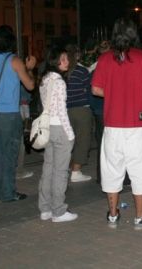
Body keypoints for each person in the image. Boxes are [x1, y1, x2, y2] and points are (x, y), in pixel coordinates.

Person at [91, 18, 142, 230]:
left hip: (112, 125)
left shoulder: (104, 59)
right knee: (139, 169)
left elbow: (95, 89)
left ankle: (113, 214)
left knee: (112, 169)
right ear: (133, 34)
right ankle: (141, 217)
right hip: (137, 125)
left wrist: (114, 94)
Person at [0, 25, 36, 202]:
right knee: (10, 154)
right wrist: (29, 68)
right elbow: (30, 85)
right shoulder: (15, 61)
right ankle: (8, 193)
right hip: (10, 115)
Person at [38, 47, 78, 222]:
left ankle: (45, 208)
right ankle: (59, 211)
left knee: (48, 169)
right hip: (60, 128)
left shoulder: (44, 79)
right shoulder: (60, 82)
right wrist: (70, 134)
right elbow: (62, 111)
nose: (67, 62)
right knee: (60, 172)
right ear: (56, 61)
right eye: (63, 59)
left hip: (47, 128)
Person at [64, 44, 94, 182]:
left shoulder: (62, 71)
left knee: (69, 140)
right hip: (81, 109)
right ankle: (76, 172)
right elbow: (89, 90)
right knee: (82, 140)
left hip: (65, 110)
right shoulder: (82, 71)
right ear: (77, 55)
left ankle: (68, 167)